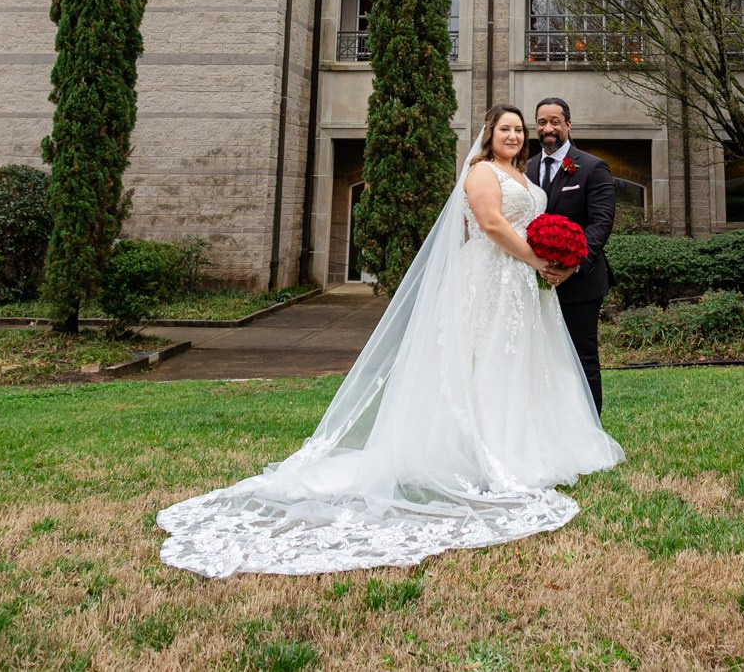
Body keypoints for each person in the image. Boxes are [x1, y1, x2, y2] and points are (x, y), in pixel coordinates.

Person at [155, 103, 623, 578]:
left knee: (521, 363)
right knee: (485, 360)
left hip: (521, 286)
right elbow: (491, 225)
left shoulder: (524, 177)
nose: (515, 135)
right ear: (489, 133)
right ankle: (485, 451)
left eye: (518, 130)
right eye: (506, 128)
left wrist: (545, 260)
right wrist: (535, 260)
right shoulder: (482, 173)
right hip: (491, 280)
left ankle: (531, 443)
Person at [530, 97, 617, 413]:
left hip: (581, 284)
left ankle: (591, 429)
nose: (548, 128)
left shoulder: (593, 167)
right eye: (542, 122)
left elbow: (601, 223)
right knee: (541, 357)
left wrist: (572, 265)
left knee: (583, 358)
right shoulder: (526, 169)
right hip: (536, 282)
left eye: (554, 121)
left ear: (568, 124)